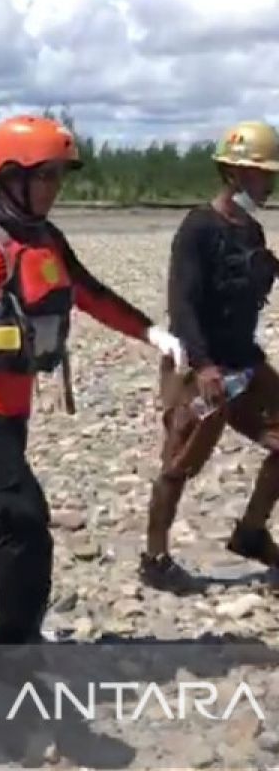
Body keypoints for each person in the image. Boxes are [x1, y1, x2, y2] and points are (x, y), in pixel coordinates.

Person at [0, 114, 186, 646]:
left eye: (59, 176)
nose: (55, 187)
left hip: (11, 412)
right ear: (11, 176)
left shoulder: (45, 238)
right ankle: (16, 651)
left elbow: (90, 293)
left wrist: (152, 334)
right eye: (46, 175)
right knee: (24, 521)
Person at [140, 120, 279, 591]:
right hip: (198, 365)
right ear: (234, 174)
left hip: (244, 362)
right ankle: (154, 559)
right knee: (179, 464)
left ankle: (252, 533)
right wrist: (202, 366)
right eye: (262, 174)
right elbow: (183, 303)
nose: (269, 183)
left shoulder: (253, 233)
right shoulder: (198, 227)